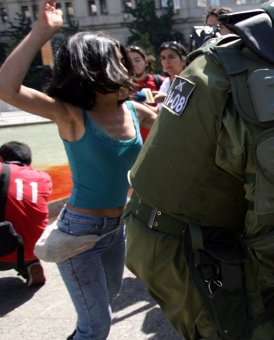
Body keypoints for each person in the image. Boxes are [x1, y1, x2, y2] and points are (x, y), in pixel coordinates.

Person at [122, 0, 274, 339]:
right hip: (183, 245)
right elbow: (268, 236)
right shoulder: (269, 99)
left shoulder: (221, 56)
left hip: (153, 226)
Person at [0, 1, 157, 339]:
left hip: (117, 228)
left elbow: (174, 126)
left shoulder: (132, 108)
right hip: (79, 233)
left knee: (107, 304)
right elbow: (6, 89)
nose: (125, 64)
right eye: (116, 59)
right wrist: (41, 32)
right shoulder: (71, 114)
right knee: (96, 326)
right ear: (94, 67)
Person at [0, 141, 52, 287]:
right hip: (35, 249)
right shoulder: (44, 178)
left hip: (3, 252)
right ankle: (31, 264)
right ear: (29, 161)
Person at [128, 45, 163, 140]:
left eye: (137, 60)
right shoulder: (123, 88)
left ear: (146, 62)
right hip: (135, 145)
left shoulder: (160, 81)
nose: (134, 64)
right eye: (129, 61)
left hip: (158, 139)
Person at [153, 41, 188, 106]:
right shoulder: (167, 82)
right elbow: (158, 111)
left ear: (183, 60)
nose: (167, 61)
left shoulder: (190, 81)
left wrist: (166, 98)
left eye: (171, 57)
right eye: (163, 58)